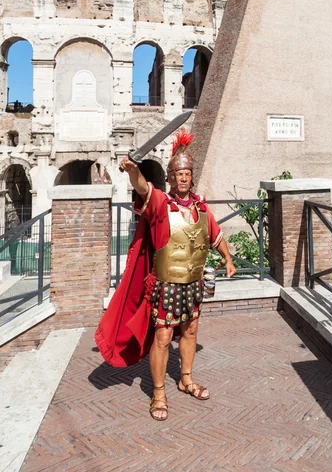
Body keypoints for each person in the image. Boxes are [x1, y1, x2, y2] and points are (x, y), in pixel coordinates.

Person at [95, 129, 236, 421]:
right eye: (178, 174)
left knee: (191, 331)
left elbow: (215, 234)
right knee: (162, 337)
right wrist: (134, 171)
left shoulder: (200, 207)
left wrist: (227, 257)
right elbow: (143, 188)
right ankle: (158, 392)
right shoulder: (161, 203)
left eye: (187, 173)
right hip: (167, 286)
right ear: (170, 179)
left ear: (191, 177)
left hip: (193, 284)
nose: (183, 178)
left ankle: (185, 379)